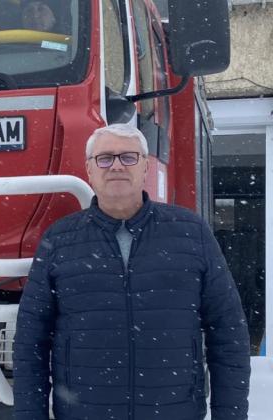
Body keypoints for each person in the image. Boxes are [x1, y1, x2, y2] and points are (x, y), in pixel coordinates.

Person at [13, 124, 251, 420]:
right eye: (105, 158)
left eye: (128, 157)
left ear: (145, 167)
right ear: (89, 170)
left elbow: (228, 333)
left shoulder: (192, 233)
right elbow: (30, 342)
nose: (116, 166)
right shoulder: (59, 240)